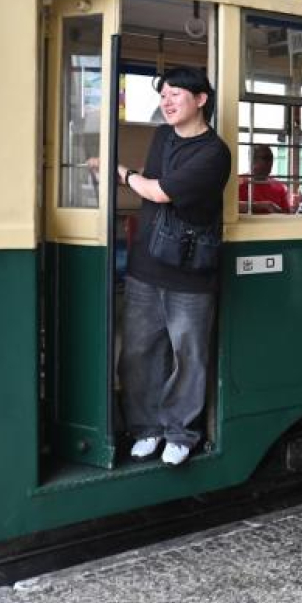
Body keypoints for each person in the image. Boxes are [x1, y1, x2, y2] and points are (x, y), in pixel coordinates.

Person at [116, 66, 230, 466]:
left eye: (175, 94)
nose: (166, 101)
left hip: (191, 274)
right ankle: (146, 429)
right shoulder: (162, 137)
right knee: (139, 353)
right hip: (146, 265)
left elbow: (158, 191)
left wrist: (123, 174)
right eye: (163, 94)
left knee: (188, 355)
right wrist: (138, 178)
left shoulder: (214, 153)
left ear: (200, 100)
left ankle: (180, 433)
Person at [238, 144, 292, 214]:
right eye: (266, 158)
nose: (270, 162)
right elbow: (228, 206)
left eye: (272, 158)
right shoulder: (238, 183)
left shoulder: (278, 186)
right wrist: (263, 206)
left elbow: (286, 214)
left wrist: (295, 207)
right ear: (252, 160)